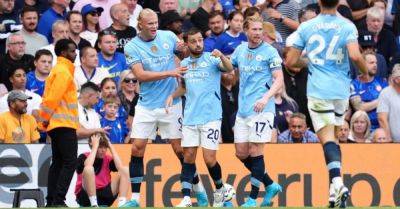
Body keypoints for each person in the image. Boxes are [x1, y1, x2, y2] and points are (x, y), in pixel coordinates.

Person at [286, 0, 369, 207]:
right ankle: (333, 194)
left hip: (319, 90)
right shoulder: (347, 25)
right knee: (333, 139)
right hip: (340, 91)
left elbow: (290, 61)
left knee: (328, 140)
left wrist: (310, 61)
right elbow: (355, 55)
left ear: (319, 3)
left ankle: (338, 183)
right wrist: (365, 71)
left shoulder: (307, 26)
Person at [122, 9, 206, 207]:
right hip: (146, 105)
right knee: (137, 148)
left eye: (156, 22)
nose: (154, 26)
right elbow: (140, 76)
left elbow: (184, 53)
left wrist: (187, 48)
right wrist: (170, 72)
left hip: (171, 104)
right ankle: (134, 199)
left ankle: (199, 190)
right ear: (140, 24)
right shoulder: (132, 47)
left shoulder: (168, 36)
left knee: (180, 151)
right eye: (149, 23)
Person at [165, 27, 234, 207]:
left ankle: (219, 190)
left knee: (209, 158)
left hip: (211, 116)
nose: (198, 44)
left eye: (200, 40)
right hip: (190, 117)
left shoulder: (212, 58)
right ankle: (187, 197)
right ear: (187, 44)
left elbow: (229, 68)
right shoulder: (185, 64)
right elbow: (184, 88)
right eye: (194, 41)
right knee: (188, 156)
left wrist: (222, 57)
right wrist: (172, 96)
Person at [230, 17, 283, 207]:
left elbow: (279, 79)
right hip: (243, 111)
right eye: (254, 29)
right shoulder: (240, 50)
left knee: (256, 151)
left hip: (263, 109)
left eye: (260, 29)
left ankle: (252, 199)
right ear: (246, 30)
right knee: (241, 153)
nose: (258, 32)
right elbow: (229, 68)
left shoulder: (270, 52)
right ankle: (270, 184)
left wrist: (265, 97)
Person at [38, 38, 79, 207]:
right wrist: (43, 121)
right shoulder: (63, 71)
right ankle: (58, 200)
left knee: (58, 163)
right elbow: (53, 98)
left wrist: (45, 121)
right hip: (63, 124)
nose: (75, 53)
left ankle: (51, 201)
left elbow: (49, 98)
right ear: (62, 53)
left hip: (57, 124)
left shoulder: (60, 70)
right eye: (71, 50)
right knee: (69, 162)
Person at [75, 133, 129, 207]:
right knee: (88, 169)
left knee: (125, 170)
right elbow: (88, 165)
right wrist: (95, 147)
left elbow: (120, 168)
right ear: (93, 146)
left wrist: (110, 146)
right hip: (86, 196)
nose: (103, 150)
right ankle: (94, 205)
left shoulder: (107, 158)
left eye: (105, 147)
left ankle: (122, 204)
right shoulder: (83, 156)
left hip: (105, 195)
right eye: (100, 147)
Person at [350, 51, 388, 131]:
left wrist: (367, 105)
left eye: (376, 63)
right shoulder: (354, 84)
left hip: (381, 129)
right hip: (362, 130)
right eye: (371, 63)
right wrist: (381, 100)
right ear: (362, 64)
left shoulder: (382, 82)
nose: (375, 65)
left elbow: (389, 104)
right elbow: (359, 107)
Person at [377, 65, 400, 142]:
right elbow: (382, 119)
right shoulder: (385, 93)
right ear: (394, 78)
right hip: (394, 142)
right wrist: (388, 138)